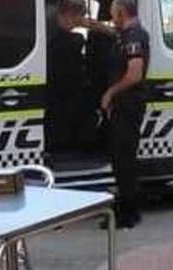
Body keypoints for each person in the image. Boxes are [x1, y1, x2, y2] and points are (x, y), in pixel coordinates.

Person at [83, 0, 150, 228]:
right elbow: (110, 31)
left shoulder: (134, 37)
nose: (111, 19)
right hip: (121, 106)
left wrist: (110, 93)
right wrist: (86, 23)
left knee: (125, 159)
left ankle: (129, 213)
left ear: (121, 12)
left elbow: (134, 74)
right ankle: (125, 205)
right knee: (119, 157)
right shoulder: (126, 33)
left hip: (128, 105)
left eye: (113, 14)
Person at [46, 0, 92, 155]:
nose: (78, 22)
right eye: (78, 18)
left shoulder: (50, 33)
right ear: (67, 15)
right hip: (63, 88)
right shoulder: (71, 39)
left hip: (60, 87)